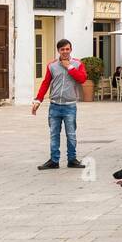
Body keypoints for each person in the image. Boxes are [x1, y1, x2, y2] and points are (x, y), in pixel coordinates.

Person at [33, 38, 87, 170]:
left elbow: (82, 79)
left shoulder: (77, 64)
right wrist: (38, 100)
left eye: (67, 49)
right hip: (55, 106)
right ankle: (54, 160)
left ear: (71, 50)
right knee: (54, 134)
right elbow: (46, 83)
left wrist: (68, 66)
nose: (65, 52)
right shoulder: (52, 65)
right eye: (62, 49)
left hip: (70, 106)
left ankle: (72, 160)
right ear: (58, 50)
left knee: (71, 134)